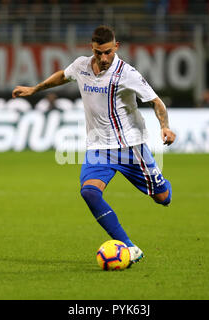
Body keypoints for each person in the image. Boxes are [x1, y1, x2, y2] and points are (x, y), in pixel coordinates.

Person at [12, 25, 176, 267]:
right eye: (99, 52)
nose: (103, 58)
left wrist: (165, 126)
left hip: (131, 147)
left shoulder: (127, 73)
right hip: (98, 148)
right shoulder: (81, 65)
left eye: (108, 52)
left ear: (116, 47)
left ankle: (161, 184)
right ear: (92, 48)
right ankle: (129, 247)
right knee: (89, 192)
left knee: (163, 198)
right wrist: (35, 89)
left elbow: (156, 101)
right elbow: (63, 75)